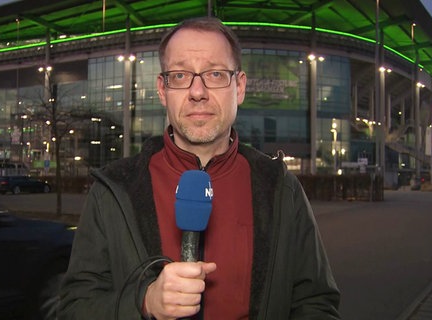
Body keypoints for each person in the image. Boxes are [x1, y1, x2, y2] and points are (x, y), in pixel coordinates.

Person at [58, 16, 340, 319]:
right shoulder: (112, 191)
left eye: (215, 74)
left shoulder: (281, 188)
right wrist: (144, 302)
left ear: (240, 87)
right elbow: (75, 308)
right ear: (163, 90)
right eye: (180, 76)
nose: (197, 91)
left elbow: (316, 302)